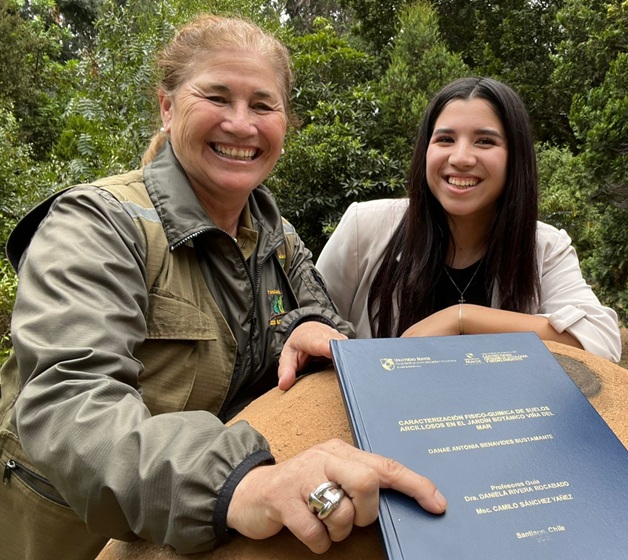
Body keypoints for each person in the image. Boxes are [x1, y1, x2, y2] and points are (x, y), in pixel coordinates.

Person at [0, 15, 445, 560]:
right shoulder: (97, 224)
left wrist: (310, 330)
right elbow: (68, 404)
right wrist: (241, 485)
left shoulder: (278, 238)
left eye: (262, 105)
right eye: (216, 97)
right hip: (73, 538)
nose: (240, 123)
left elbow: (326, 328)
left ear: (285, 122)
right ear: (167, 107)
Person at [316, 77, 621, 362]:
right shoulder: (365, 228)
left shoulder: (544, 248)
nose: (461, 158)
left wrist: (462, 318)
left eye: (485, 141)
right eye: (445, 139)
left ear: (515, 158)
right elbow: (313, 322)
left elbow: (601, 342)